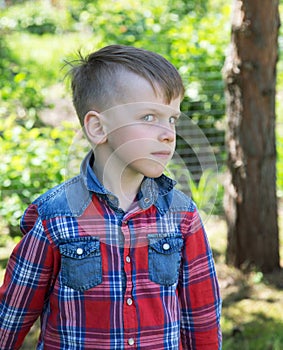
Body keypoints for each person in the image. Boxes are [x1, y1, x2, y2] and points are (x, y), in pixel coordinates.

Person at [0, 44, 222, 349]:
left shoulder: (183, 217)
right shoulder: (55, 217)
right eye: (148, 117)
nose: (169, 133)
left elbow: (202, 318)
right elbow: (10, 319)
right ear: (97, 127)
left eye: (172, 119)